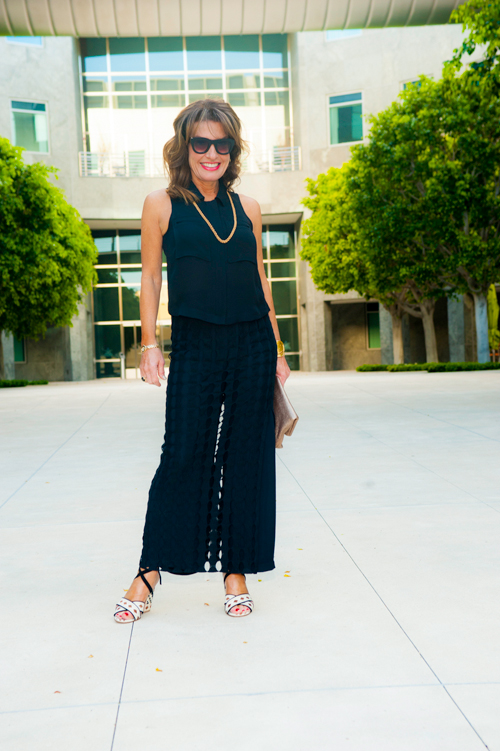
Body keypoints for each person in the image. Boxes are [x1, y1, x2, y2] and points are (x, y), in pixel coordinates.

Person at [114, 98, 290, 622]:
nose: (211, 152)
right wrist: (150, 343)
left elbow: (260, 281)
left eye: (222, 143)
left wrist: (278, 349)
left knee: (245, 458)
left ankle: (236, 571)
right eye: (201, 143)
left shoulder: (248, 208)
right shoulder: (160, 204)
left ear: (232, 150)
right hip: (194, 344)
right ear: (183, 146)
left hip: (252, 344)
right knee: (182, 455)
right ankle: (149, 571)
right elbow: (149, 277)